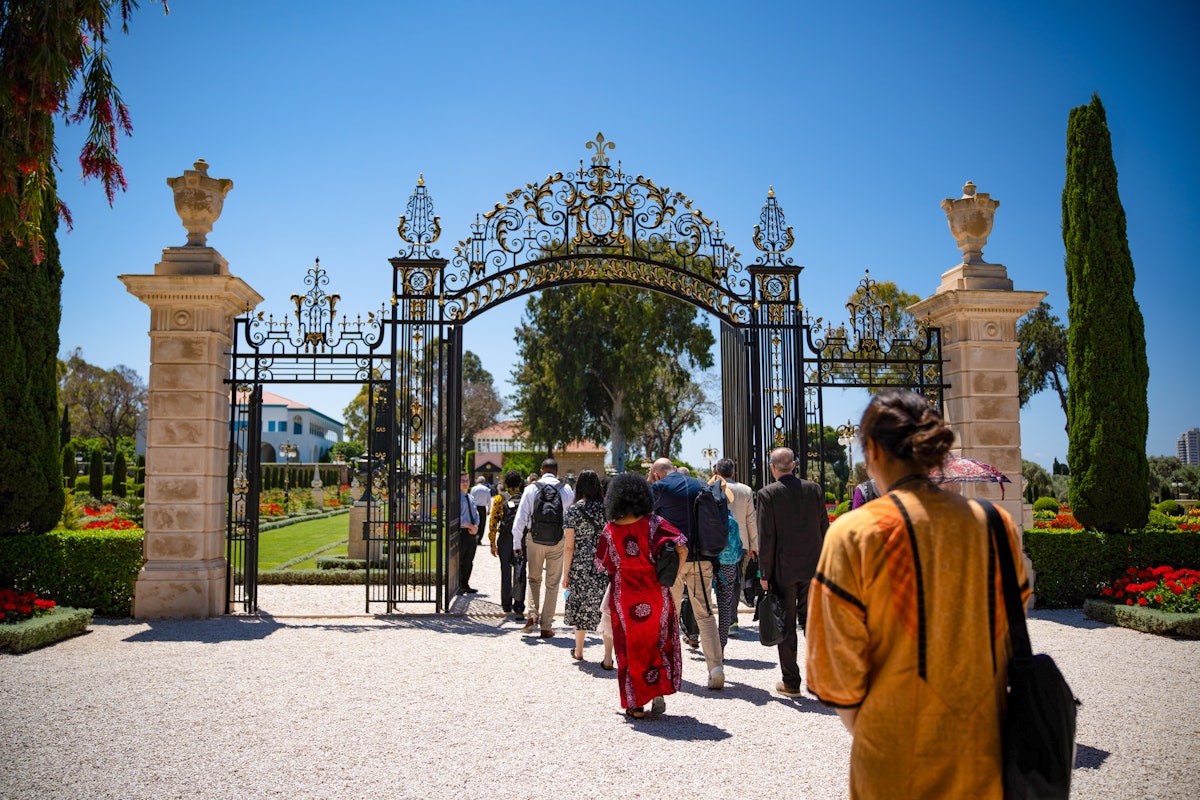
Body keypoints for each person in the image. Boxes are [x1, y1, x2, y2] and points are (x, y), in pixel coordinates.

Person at [805, 390, 1030, 799]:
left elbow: (833, 671)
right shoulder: (997, 525)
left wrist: (873, 725)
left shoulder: (855, 534)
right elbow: (1011, 625)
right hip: (987, 755)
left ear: (871, 449)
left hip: (895, 759)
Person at [595, 472, 687, 719]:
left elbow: (604, 566)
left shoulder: (610, 529)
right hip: (655, 592)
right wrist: (673, 575)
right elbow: (682, 545)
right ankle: (657, 690)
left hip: (625, 596)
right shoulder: (655, 524)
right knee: (658, 640)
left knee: (629, 647)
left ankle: (635, 704)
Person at [757, 447, 828, 696]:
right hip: (813, 567)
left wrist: (763, 574)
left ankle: (791, 682)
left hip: (783, 570)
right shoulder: (814, 489)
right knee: (813, 624)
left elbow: (766, 537)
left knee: (786, 625)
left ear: (772, 467)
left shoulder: (767, 494)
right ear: (795, 465)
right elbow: (823, 526)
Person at [648, 457, 724, 690]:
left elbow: (647, 519)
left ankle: (667, 667)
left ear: (658, 474)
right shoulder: (699, 483)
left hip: (673, 560)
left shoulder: (659, 488)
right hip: (702, 557)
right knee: (705, 614)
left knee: (670, 615)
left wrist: (650, 482)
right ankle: (716, 668)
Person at [512, 458, 575, 638]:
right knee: (552, 584)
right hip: (558, 540)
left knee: (534, 578)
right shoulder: (566, 489)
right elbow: (571, 518)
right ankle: (546, 626)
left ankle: (532, 614)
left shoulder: (531, 488)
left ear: (541, 471)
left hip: (534, 539)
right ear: (556, 471)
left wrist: (517, 544)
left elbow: (520, 520)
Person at [561, 470, 610, 660]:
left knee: (581, 607)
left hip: (581, 565)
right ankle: (607, 657)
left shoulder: (573, 511)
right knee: (606, 610)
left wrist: (566, 573)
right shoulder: (607, 509)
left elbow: (569, 546)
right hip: (603, 563)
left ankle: (579, 651)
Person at [712, 457, 759, 632]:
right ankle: (732, 620)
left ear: (717, 471)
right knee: (736, 578)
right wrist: (755, 544)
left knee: (719, 579)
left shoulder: (712, 488)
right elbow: (751, 519)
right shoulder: (745, 490)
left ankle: (724, 617)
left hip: (717, 542)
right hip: (741, 542)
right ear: (733, 472)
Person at [488, 470, 526, 619]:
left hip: (504, 539)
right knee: (520, 571)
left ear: (505, 483)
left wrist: (492, 542)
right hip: (521, 538)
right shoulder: (524, 498)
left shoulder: (499, 498)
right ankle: (519, 605)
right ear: (519, 483)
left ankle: (506, 604)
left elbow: (493, 521)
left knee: (505, 571)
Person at [455, 473, 480, 595]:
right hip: (462, 532)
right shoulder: (456, 498)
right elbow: (456, 517)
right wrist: (470, 526)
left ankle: (465, 584)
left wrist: (475, 526)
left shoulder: (470, 497)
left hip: (472, 532)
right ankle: (458, 585)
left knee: (469, 559)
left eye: (466, 480)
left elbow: (476, 514)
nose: (465, 483)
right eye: (462, 480)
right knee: (461, 559)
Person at [469, 476, 492, 545]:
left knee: (475, 523)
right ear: (484, 481)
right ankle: (479, 539)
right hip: (482, 508)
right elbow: (489, 500)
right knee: (482, 524)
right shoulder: (486, 489)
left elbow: (470, 498)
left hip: (474, 507)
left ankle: (474, 538)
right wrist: (489, 509)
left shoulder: (474, 488)